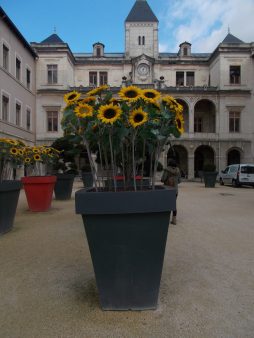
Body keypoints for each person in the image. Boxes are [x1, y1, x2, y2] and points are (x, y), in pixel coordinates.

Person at [161, 158, 181, 225]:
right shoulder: (178, 170)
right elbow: (179, 181)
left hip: (167, 189)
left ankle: (164, 219)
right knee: (173, 204)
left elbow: (163, 179)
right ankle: (174, 220)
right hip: (175, 190)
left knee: (166, 204)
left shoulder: (167, 170)